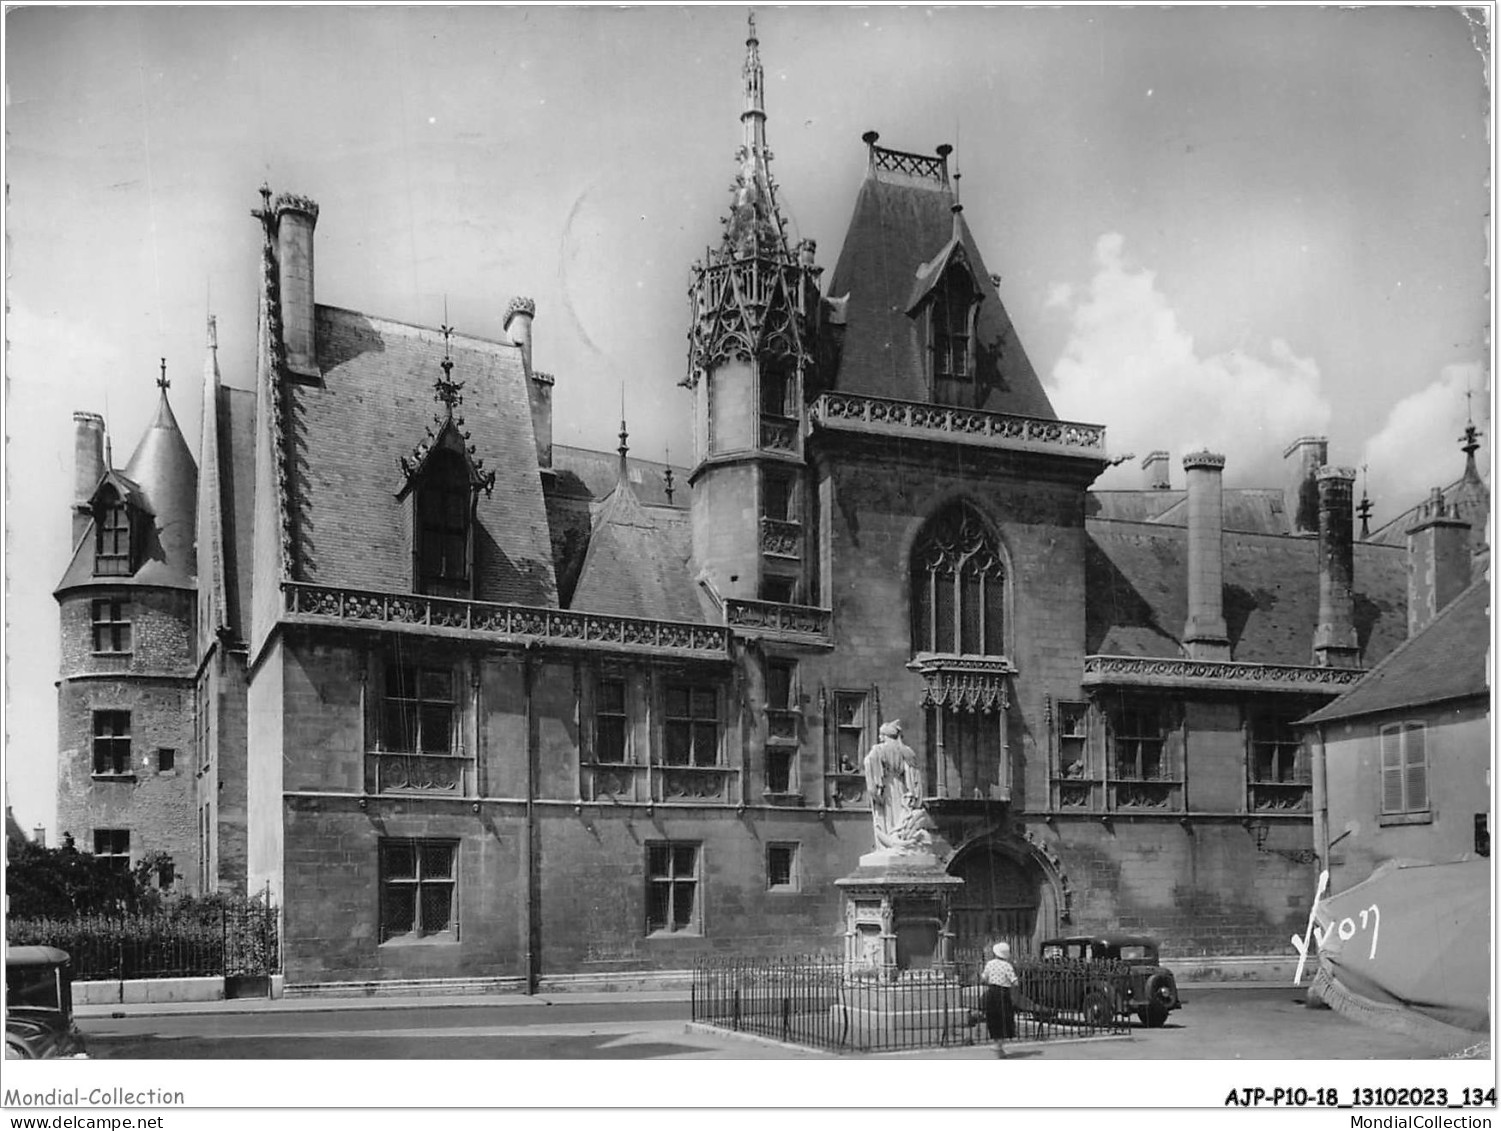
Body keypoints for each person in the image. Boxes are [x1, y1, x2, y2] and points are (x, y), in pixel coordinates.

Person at [862, 720, 933, 853]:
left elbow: (868, 762)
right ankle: (899, 836)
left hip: (887, 787)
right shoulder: (907, 751)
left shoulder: (879, 749)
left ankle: (892, 840)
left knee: (889, 816)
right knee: (901, 812)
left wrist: (876, 786)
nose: (879, 737)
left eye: (881, 735)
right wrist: (912, 792)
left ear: (885, 735)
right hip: (902, 787)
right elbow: (912, 775)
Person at [980, 941, 1018, 1057]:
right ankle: (999, 1046)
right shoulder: (1007, 966)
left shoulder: (990, 964)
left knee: (993, 1017)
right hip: (1003, 993)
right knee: (1005, 1018)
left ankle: (997, 1044)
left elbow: (983, 978)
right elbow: (1015, 982)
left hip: (992, 992)